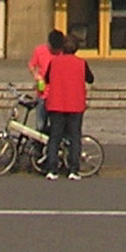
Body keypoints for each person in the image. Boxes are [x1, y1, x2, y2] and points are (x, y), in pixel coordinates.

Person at [39, 36, 93, 180]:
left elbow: (47, 79)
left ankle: (52, 169)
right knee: (75, 137)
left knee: (55, 137)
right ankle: (73, 170)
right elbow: (90, 78)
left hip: (56, 103)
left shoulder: (54, 62)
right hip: (75, 104)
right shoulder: (81, 63)